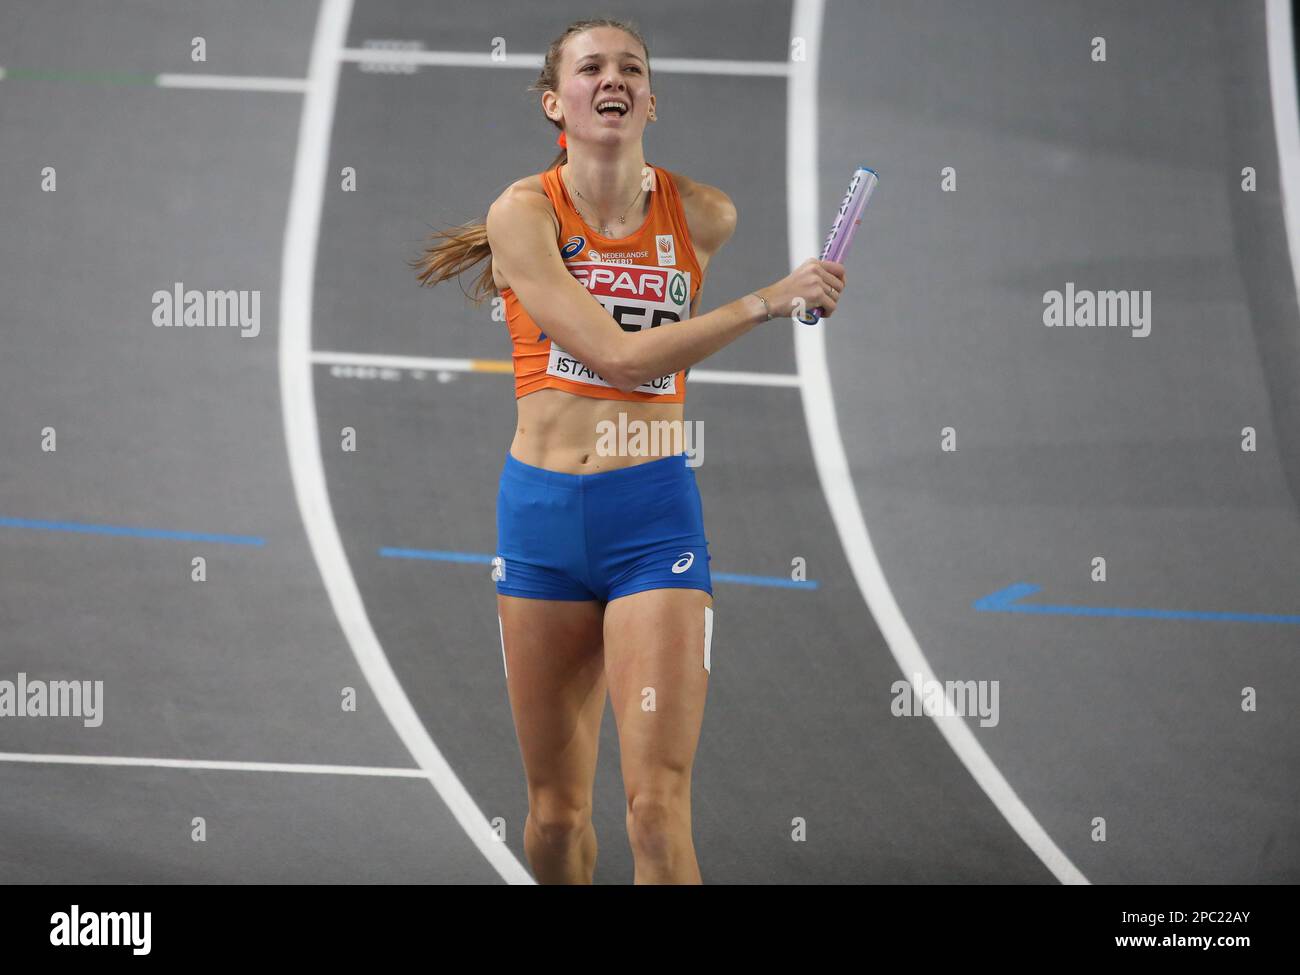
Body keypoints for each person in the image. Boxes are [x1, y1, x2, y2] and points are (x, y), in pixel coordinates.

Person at [410, 17, 846, 884]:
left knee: (655, 808)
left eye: (631, 68)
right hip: (539, 521)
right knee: (556, 816)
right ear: (554, 102)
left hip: (651, 520)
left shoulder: (706, 214)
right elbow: (616, 355)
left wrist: (787, 296)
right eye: (591, 67)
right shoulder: (523, 214)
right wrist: (769, 301)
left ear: (652, 99)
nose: (613, 78)